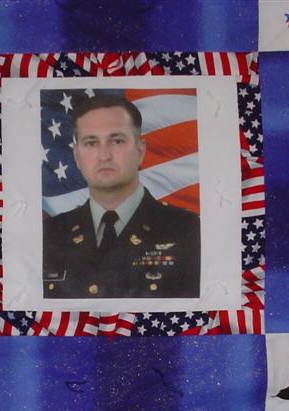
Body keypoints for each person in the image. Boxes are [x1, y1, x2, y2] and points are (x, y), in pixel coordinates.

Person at [42, 94, 201, 299]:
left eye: (116, 141)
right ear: (76, 156)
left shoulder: (188, 231)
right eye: (91, 143)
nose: (104, 155)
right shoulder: (49, 236)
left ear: (140, 150)